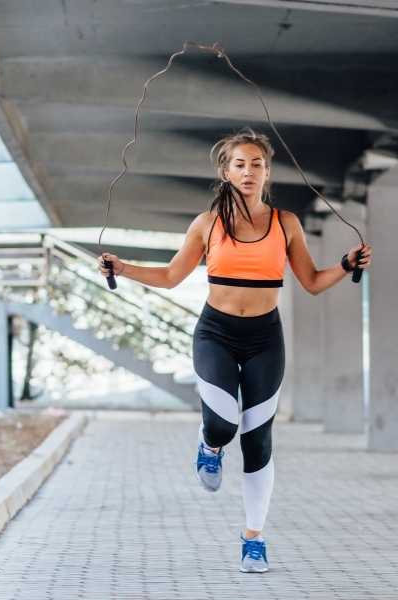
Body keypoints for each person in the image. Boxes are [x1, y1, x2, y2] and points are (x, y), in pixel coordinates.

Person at [97, 128, 372, 573]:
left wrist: (345, 265)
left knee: (258, 439)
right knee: (224, 424)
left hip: (266, 337)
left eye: (257, 164)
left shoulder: (286, 224)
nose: (248, 171)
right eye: (239, 164)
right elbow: (170, 277)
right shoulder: (207, 224)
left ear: (267, 173)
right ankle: (210, 444)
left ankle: (253, 538)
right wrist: (121, 267)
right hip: (216, 333)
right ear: (225, 172)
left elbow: (313, 283)